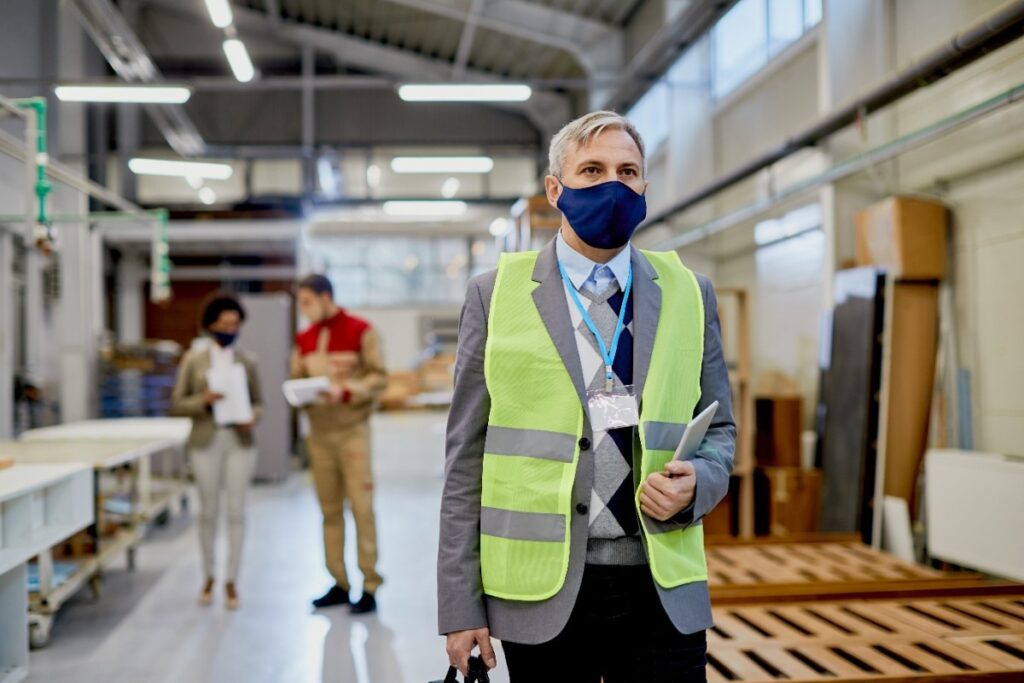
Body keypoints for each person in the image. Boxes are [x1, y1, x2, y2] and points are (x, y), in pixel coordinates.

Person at [437, 111, 737, 681]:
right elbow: (464, 461)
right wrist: (459, 605)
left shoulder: (689, 293)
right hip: (544, 595)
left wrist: (702, 481)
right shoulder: (494, 295)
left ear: (645, 187)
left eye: (628, 171)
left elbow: (720, 430)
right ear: (556, 189)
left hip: (660, 590)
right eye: (592, 170)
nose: (613, 185)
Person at [291, 274, 387, 614]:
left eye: (306, 302)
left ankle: (370, 584)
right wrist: (299, 392)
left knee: (361, 508)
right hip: (319, 434)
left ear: (325, 296)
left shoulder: (360, 330)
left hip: (351, 431)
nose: (303, 310)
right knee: (329, 510)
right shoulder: (303, 338)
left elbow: (378, 378)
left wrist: (347, 391)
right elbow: (296, 377)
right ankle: (339, 582)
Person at [171, 292, 262, 610]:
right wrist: (203, 401)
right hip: (206, 440)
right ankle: (208, 576)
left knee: (236, 512)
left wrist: (252, 417)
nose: (230, 329)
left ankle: (231, 579)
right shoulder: (193, 361)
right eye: (224, 324)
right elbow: (177, 402)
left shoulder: (246, 361)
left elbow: (259, 402)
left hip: (238, 441)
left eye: (234, 324)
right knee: (208, 512)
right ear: (211, 325)